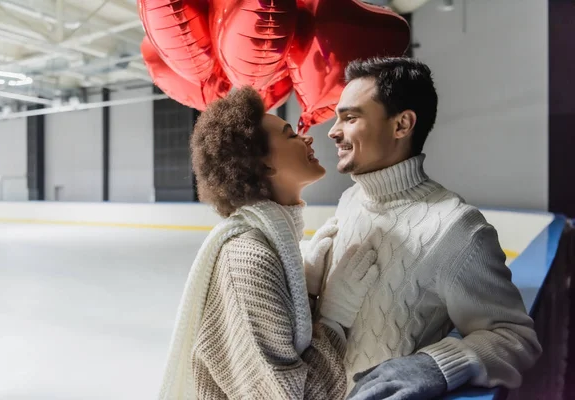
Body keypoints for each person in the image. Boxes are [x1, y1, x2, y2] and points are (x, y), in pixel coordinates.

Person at [302, 57, 542, 400]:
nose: (333, 130)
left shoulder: (457, 228)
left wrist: (436, 365)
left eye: (350, 117)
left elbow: (514, 337)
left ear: (402, 125)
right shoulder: (351, 200)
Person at [158, 87, 378, 400]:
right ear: (263, 165)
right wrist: (335, 316)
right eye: (291, 135)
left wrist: (310, 295)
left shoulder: (269, 245)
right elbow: (295, 395)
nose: (308, 138)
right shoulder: (249, 258)